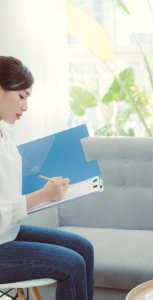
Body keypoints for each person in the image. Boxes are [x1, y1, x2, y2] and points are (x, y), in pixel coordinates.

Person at [0, 56, 94, 300]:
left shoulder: (5, 131)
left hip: (6, 233)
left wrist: (48, 190)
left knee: (83, 248)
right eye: (21, 96)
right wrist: (42, 195)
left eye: (28, 98)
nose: (25, 107)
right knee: (71, 264)